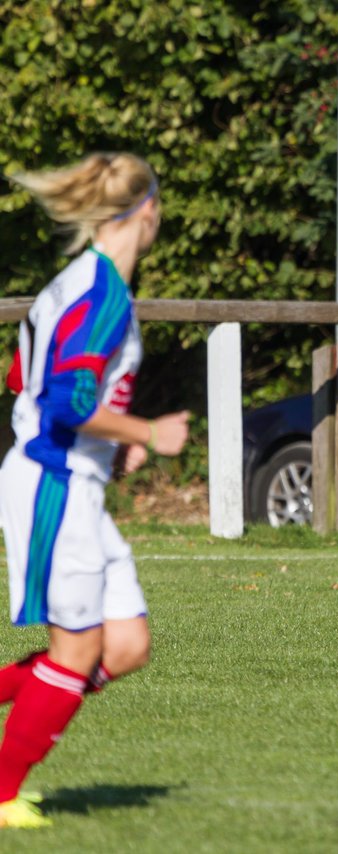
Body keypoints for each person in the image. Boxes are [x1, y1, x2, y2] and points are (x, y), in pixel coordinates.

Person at [0, 153, 190, 829]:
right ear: (149, 211)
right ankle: (0, 793)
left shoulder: (74, 282)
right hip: (53, 480)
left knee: (126, 646)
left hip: (72, 479)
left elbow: (22, 375)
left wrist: (115, 439)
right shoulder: (103, 292)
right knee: (76, 653)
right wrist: (146, 429)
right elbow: (64, 398)